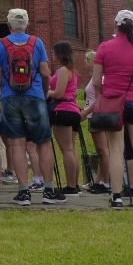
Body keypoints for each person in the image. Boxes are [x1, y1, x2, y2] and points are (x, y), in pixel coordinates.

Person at [0, 8, 66, 206]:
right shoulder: (37, 42)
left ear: (8, 25)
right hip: (34, 96)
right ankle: (48, 190)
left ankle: (23, 192)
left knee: (17, 144)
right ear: (27, 24)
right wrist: (42, 94)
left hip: (10, 97)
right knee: (43, 143)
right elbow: (45, 73)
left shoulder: (1, 44)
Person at [92, 10, 133, 209]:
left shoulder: (105, 47)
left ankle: (117, 196)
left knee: (116, 149)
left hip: (114, 102)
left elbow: (96, 81)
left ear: (115, 25)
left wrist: (108, 92)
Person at [47, 41, 82, 196]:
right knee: (71, 150)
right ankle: (75, 183)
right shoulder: (72, 71)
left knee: (66, 150)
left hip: (62, 110)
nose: (52, 55)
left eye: (54, 52)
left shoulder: (62, 71)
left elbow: (59, 94)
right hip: (73, 110)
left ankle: (71, 186)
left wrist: (48, 92)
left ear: (60, 53)